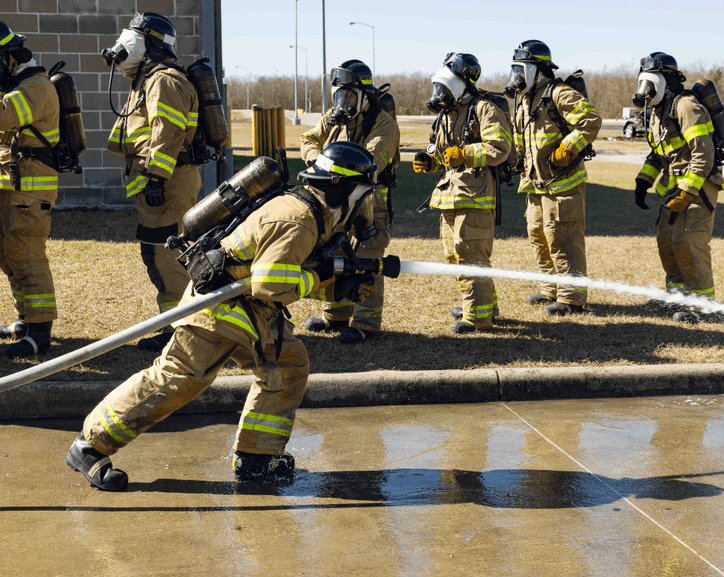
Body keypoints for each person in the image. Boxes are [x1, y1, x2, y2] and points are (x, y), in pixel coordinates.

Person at [65, 141, 379, 491]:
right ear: (344, 189)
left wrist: (337, 290)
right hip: (219, 308)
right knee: (179, 377)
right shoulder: (299, 220)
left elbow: (284, 273)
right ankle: (89, 446)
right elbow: (272, 284)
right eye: (364, 195)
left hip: (249, 310)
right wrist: (322, 278)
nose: (367, 205)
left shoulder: (314, 216)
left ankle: (256, 456)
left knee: (288, 366)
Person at [102, 12, 202, 352]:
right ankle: (175, 326)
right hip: (158, 184)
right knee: (157, 255)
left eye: (130, 39)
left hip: (169, 184)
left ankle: (186, 331)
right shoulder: (145, 79)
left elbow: (168, 131)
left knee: (168, 257)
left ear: (149, 46)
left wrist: (156, 177)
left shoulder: (164, 80)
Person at [300, 59, 400, 343]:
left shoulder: (384, 124)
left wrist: (324, 162)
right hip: (334, 203)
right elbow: (308, 139)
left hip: (370, 204)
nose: (341, 102)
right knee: (335, 254)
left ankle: (366, 323)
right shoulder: (333, 118)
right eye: (339, 95)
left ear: (365, 97)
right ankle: (335, 314)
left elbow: (369, 162)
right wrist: (313, 158)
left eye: (349, 96)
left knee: (367, 257)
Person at [413, 52, 511, 334]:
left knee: (470, 255)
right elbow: (445, 156)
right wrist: (431, 162)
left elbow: (499, 148)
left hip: (476, 197)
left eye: (444, 87)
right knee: (454, 257)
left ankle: (477, 318)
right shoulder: (447, 115)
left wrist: (465, 153)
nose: (439, 94)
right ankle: (483, 306)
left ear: (459, 85)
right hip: (449, 197)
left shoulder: (484, 109)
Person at [505, 40, 602, 316]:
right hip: (536, 184)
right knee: (539, 236)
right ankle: (551, 288)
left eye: (520, 69)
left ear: (537, 70)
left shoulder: (559, 93)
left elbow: (590, 120)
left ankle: (572, 298)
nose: (516, 76)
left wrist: (566, 148)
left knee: (563, 238)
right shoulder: (524, 100)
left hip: (563, 184)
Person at [631, 52, 724, 321]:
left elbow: (703, 154)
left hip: (698, 187)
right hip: (674, 188)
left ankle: (701, 306)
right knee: (667, 242)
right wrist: (644, 180)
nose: (644, 91)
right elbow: (659, 153)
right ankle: (676, 299)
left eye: (648, 84)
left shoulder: (686, 107)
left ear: (663, 81)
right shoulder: (658, 112)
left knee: (689, 243)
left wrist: (688, 191)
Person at [0, 23, 60, 358]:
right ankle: (24, 320)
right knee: (9, 253)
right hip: (12, 187)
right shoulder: (16, 86)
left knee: (26, 252)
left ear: (9, 58)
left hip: (32, 190)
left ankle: (40, 332)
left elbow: (3, 116)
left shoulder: (35, 87)